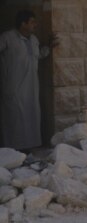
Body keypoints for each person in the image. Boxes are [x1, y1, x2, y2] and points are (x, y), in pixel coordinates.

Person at [0, 10, 58, 150]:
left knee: (30, 118)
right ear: (23, 23)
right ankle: (12, 152)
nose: (35, 25)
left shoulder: (33, 40)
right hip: (14, 88)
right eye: (32, 22)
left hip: (31, 88)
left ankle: (29, 148)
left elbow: (37, 57)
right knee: (14, 120)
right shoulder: (7, 38)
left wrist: (49, 47)